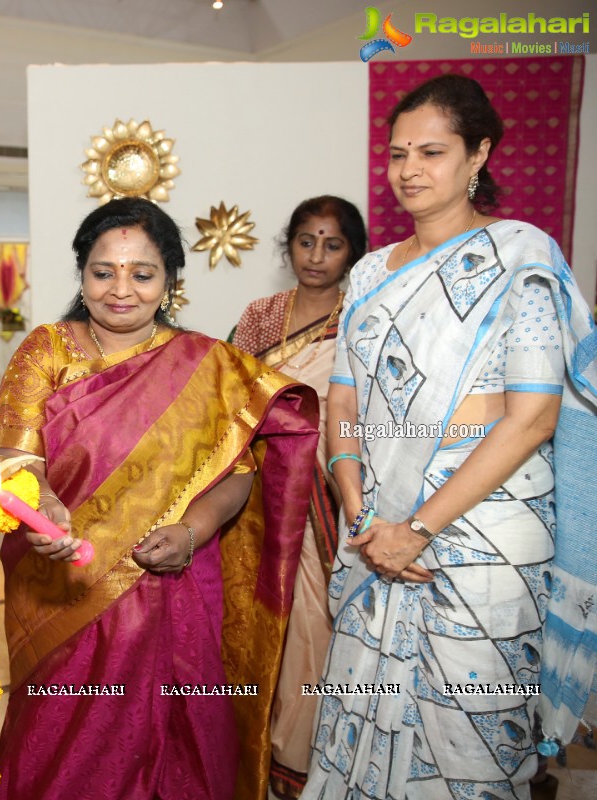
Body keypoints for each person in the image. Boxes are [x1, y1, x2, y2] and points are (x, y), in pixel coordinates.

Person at [307, 74, 597, 800]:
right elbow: (341, 400)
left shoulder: (522, 255)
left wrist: (420, 527)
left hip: (483, 535)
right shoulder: (371, 271)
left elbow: (532, 416)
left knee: (471, 747)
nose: (409, 169)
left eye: (432, 151)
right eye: (398, 152)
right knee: (356, 729)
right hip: (375, 532)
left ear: (478, 155)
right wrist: (359, 510)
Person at [0, 197, 320, 800]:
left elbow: (238, 474)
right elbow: (14, 457)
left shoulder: (208, 365)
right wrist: (43, 507)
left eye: (142, 274)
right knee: (61, 740)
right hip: (65, 584)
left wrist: (193, 532)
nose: (121, 289)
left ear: (169, 281)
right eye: (103, 272)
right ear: (81, 274)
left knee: (178, 746)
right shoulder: (46, 350)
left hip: (173, 587)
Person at [230, 195, 367, 800]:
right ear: (288, 247)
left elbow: (368, 410)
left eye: (332, 243)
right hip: (258, 492)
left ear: (352, 252)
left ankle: (305, 758)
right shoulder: (262, 316)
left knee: (317, 622)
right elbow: (229, 400)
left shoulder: (363, 313)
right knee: (257, 617)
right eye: (306, 241)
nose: (317, 255)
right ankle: (252, 749)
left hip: (329, 497)